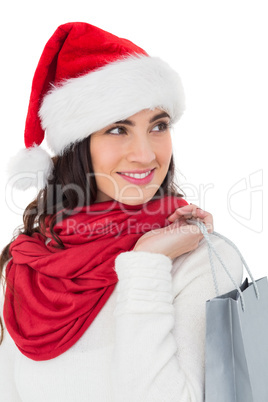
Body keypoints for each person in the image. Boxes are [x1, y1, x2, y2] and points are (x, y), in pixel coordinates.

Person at [0, 22, 243, 402]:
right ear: (78, 145)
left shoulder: (200, 261)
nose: (146, 154)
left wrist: (147, 262)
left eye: (158, 125)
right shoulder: (31, 266)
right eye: (118, 129)